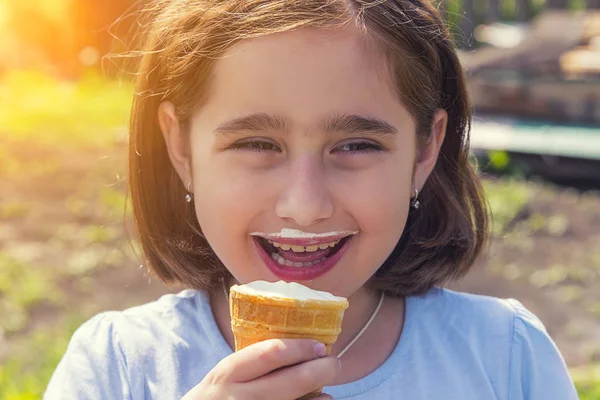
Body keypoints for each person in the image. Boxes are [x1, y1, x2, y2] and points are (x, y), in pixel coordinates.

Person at [44, 0, 578, 399]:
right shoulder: (117, 368)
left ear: (424, 150)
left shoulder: (506, 359)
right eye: (256, 143)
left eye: (356, 145)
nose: (305, 205)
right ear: (181, 148)